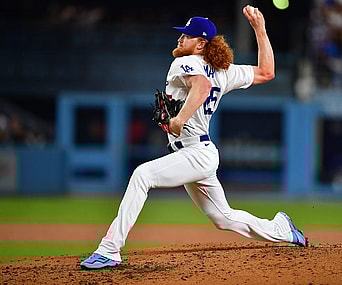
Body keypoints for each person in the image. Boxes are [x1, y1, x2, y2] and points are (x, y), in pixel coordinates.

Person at [80, 5, 308, 270]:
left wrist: (179, 119)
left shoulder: (184, 62)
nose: (180, 38)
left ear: (201, 44)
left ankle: (109, 249)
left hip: (195, 151)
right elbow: (266, 72)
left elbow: (202, 86)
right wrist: (260, 30)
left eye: (187, 35)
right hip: (197, 153)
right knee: (223, 218)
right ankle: (282, 229)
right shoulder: (224, 70)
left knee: (143, 175)